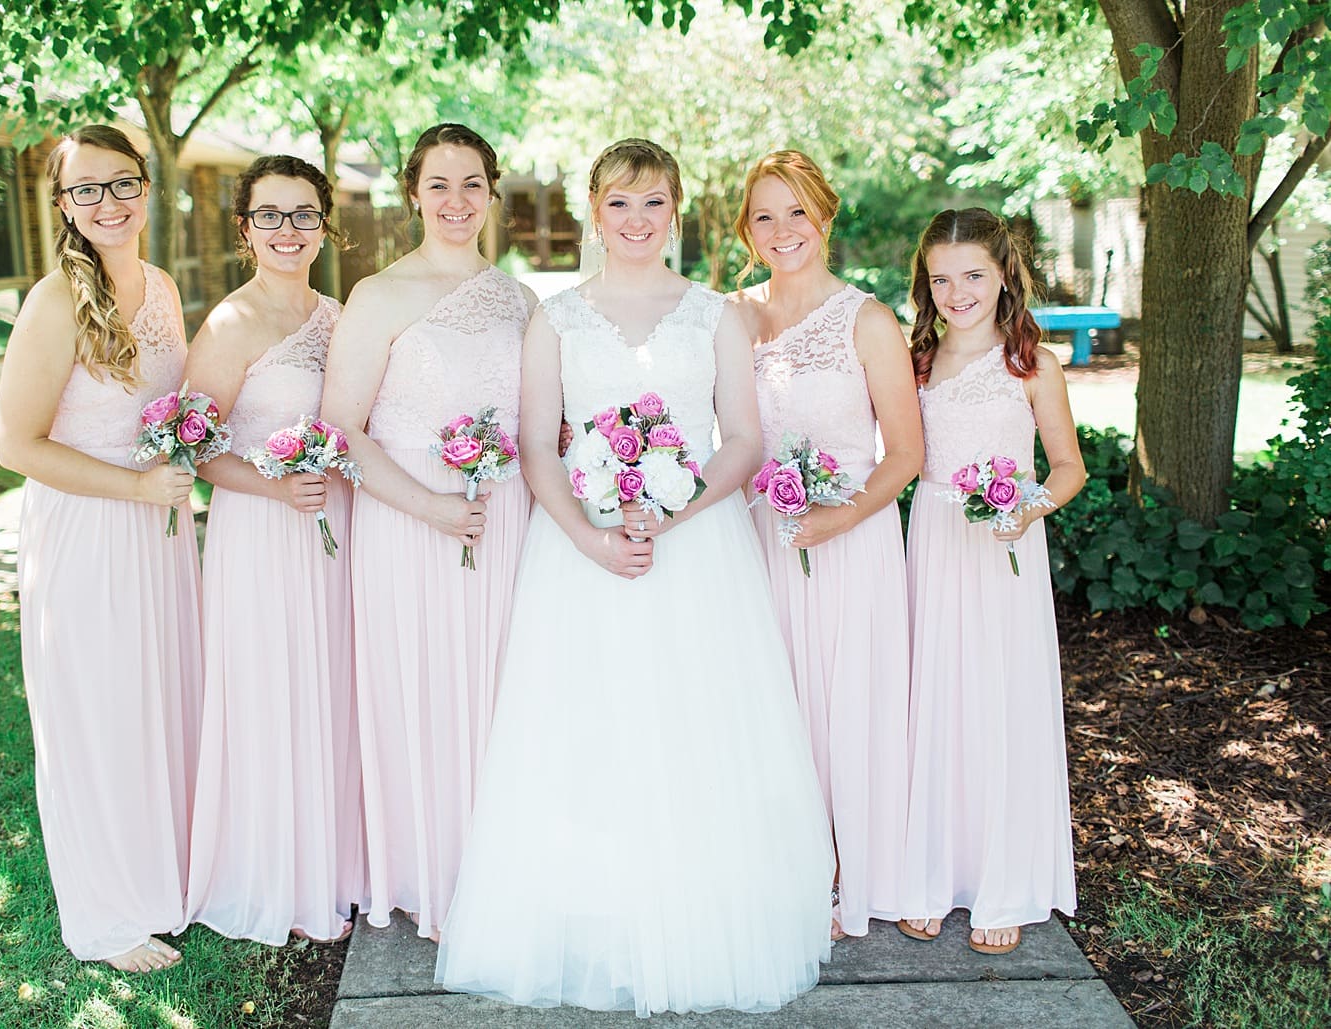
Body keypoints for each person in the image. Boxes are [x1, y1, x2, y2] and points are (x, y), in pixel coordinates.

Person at [435, 138, 834, 1016]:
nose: (636, 220)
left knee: (694, 723)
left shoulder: (715, 314)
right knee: (589, 726)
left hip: (698, 548)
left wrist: (677, 508)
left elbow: (741, 439)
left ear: (676, 209)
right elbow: (538, 443)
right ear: (592, 209)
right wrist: (587, 535)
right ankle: (596, 915)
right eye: (619, 203)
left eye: (653, 202)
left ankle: (703, 912)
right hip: (579, 555)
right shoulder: (557, 317)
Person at [320, 124, 536, 942]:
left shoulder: (521, 301)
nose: (455, 200)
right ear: (412, 192)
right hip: (409, 522)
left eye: (471, 183)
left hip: (502, 518)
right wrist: (432, 506)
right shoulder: (377, 294)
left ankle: (498, 866)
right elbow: (342, 430)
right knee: (423, 683)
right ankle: (429, 876)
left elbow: (539, 424)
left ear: (491, 191)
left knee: (496, 690)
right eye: (439, 184)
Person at [0, 125, 199, 973]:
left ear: (147, 189)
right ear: (64, 207)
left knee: (157, 700)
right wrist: (138, 488)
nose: (107, 203)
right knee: (98, 714)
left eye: (121, 184)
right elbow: (16, 444)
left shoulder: (162, 288)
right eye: (86, 190)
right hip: (88, 528)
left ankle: (165, 876)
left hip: (161, 528)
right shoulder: (52, 302)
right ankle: (108, 915)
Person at [731, 149, 923, 942]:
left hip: (849, 537)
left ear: (825, 217)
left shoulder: (867, 320)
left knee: (850, 701)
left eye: (796, 212)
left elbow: (906, 454)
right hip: (760, 541)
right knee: (777, 702)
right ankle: (792, 862)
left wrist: (839, 518)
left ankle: (859, 866)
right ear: (746, 227)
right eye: (765, 215)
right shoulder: (733, 315)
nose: (782, 230)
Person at [183, 155, 364, 945]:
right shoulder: (230, 322)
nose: (287, 231)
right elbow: (193, 447)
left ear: (326, 226)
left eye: (303, 214)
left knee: (335, 683)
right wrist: (273, 485)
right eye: (269, 215)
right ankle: (276, 872)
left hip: (339, 527)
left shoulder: (343, 313)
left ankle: (341, 859)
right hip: (263, 532)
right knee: (276, 689)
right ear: (245, 228)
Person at [896, 207, 1086, 955]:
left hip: (1004, 546)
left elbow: (1067, 467)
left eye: (972, 274)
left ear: (1004, 273)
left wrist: (1026, 508)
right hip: (934, 538)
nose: (956, 291)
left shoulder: (1032, 365)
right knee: (936, 698)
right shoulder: (916, 361)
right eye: (941, 279)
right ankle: (932, 874)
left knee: (999, 700)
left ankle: (1004, 880)